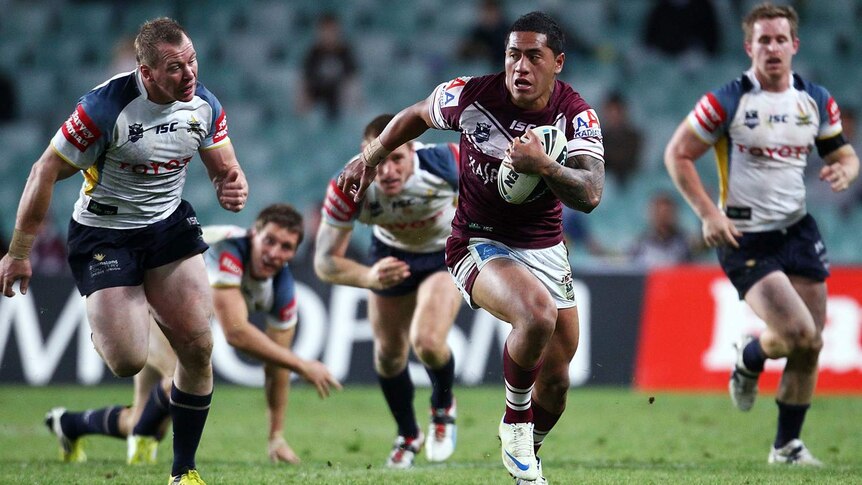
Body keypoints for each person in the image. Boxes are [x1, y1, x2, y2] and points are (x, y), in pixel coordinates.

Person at [339, 12, 605, 484]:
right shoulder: (472, 95)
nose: (519, 66)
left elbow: (589, 194)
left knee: (558, 382)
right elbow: (418, 115)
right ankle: (515, 424)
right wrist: (370, 157)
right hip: (476, 240)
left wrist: (545, 167)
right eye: (512, 54)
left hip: (545, 248)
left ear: (558, 62)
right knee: (536, 314)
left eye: (533, 56)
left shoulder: (575, 115)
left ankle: (528, 458)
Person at [0, 17, 249, 485]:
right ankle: (118, 315)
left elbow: (225, 168)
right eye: (176, 67)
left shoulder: (205, 104)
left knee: (198, 346)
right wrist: (18, 250)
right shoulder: (104, 107)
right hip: (105, 233)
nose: (190, 74)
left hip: (168, 226)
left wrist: (230, 186)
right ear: (147, 71)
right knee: (127, 361)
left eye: (192, 60)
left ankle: (184, 471)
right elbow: (42, 172)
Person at [664, 2, 859, 466]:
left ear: (795, 45)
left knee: (810, 343)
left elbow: (843, 153)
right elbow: (677, 154)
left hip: (798, 230)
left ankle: (786, 447)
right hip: (745, 236)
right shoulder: (727, 101)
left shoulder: (815, 100)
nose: (772, 48)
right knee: (795, 332)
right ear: (749, 46)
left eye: (780, 39)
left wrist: (848, 169)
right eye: (763, 40)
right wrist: (708, 213)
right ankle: (751, 356)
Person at [44, 204, 341, 466]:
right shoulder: (231, 249)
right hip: (140, 298)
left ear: (294, 253)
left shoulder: (283, 288)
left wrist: (276, 435)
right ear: (254, 234)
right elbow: (236, 333)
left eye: (286, 247)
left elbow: (276, 366)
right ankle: (146, 441)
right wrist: (302, 365)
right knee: (181, 374)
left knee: (144, 414)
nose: (275, 253)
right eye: (270, 241)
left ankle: (68, 424)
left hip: (170, 317)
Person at [315, 114, 462, 469]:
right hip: (390, 255)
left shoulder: (448, 161)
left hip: (444, 253)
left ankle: (443, 408)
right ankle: (408, 434)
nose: (388, 170)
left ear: (414, 150)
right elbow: (324, 263)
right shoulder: (348, 185)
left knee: (426, 341)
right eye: (379, 159)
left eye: (397, 158)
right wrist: (369, 277)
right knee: (388, 356)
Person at [297, 12, 358, 121]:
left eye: (332, 31)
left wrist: (354, 103)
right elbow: (304, 81)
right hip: (318, 97)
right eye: (325, 31)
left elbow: (353, 80)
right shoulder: (313, 53)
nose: (329, 35)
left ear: (338, 31)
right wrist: (303, 103)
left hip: (339, 97)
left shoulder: (345, 52)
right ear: (319, 32)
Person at [628, 191, 702, 267]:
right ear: (651, 214)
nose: (663, 217)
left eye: (667, 212)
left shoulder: (688, 242)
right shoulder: (639, 245)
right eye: (658, 212)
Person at [600, 90, 643, 188]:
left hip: (632, 183)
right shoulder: (598, 139)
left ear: (624, 112)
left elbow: (635, 165)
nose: (614, 117)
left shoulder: (634, 138)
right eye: (611, 112)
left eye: (617, 112)